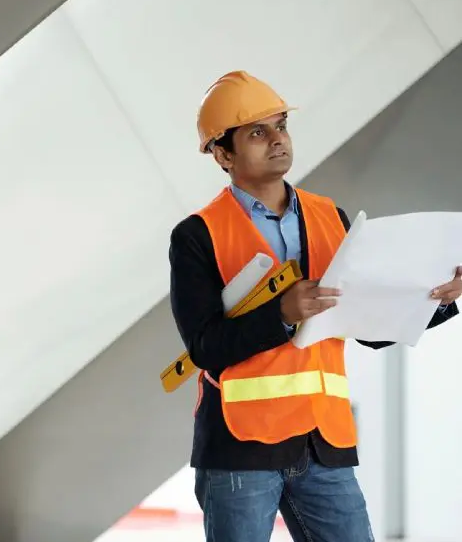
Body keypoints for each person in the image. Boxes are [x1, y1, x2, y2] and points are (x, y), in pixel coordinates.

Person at [168, 70, 462, 542]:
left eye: (281, 126)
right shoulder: (197, 235)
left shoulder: (330, 217)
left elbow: (364, 324)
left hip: (324, 444)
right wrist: (281, 316)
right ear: (223, 154)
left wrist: (435, 300)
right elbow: (205, 347)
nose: (278, 140)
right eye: (257, 132)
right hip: (241, 447)